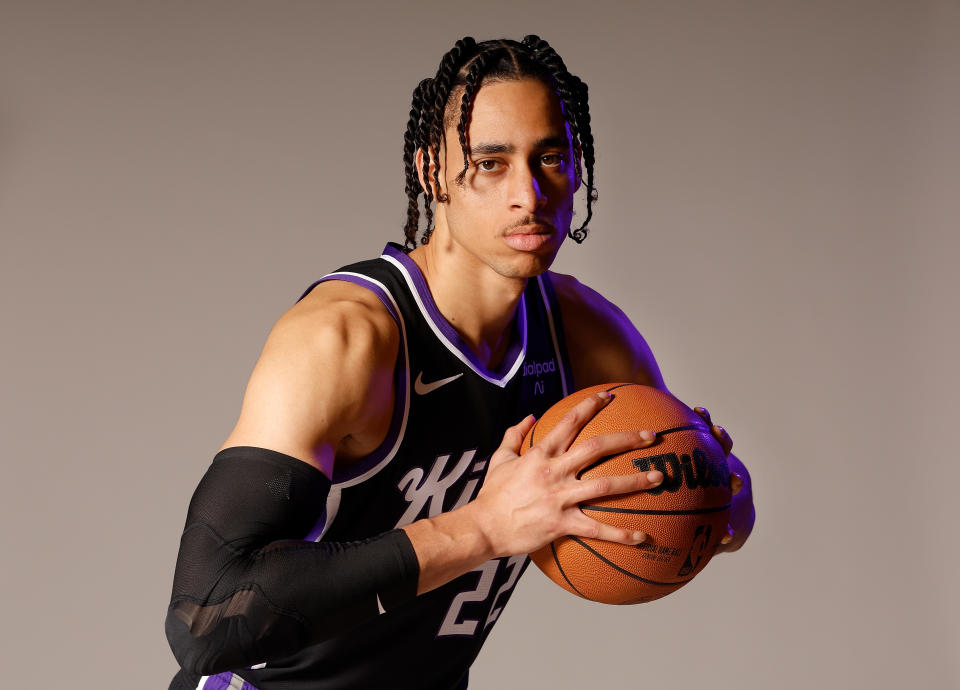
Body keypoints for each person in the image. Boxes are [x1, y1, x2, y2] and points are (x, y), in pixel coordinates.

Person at [165, 35, 755, 690]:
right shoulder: (344, 340)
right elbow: (205, 619)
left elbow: (692, 511)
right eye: (490, 164)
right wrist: (484, 526)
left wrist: (720, 499)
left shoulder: (584, 337)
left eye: (550, 158)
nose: (528, 193)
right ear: (430, 171)